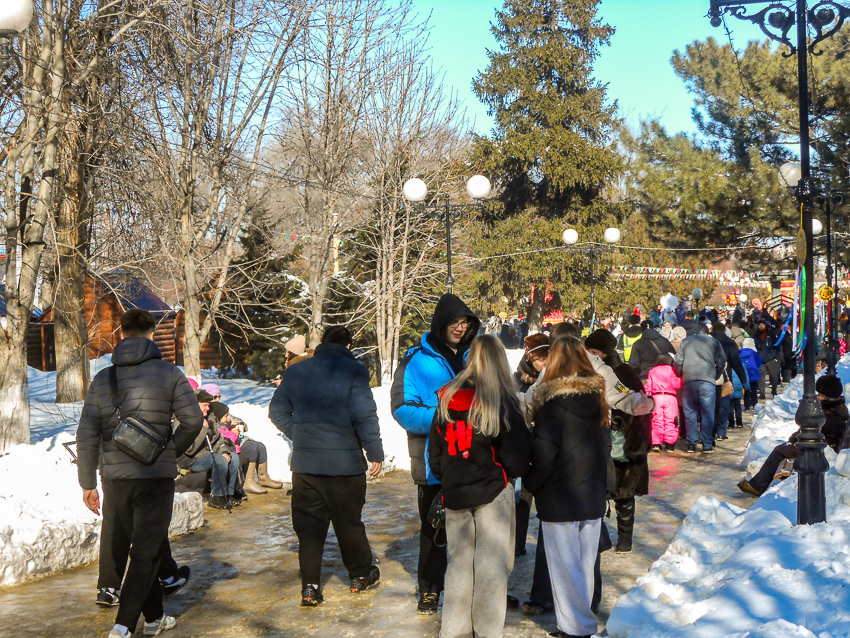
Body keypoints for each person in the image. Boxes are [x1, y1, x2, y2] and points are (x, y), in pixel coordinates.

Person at [76, 309, 205, 638]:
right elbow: (193, 421)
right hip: (154, 478)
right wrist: (170, 450)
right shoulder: (170, 373)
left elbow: (87, 434)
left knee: (145, 547)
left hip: (115, 478)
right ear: (151, 334)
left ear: (121, 333)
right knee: (146, 552)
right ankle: (122, 627)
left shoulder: (103, 378)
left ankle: (154, 617)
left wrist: (87, 483)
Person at [269, 325, 384, 606]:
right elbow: (364, 414)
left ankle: (310, 588)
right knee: (349, 524)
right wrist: (374, 451)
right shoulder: (354, 370)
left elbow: (277, 411)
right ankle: (360, 576)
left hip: (306, 467)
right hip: (345, 465)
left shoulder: (296, 371)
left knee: (309, 530)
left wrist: (301, 435)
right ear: (348, 346)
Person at [428, 335, 532, 638]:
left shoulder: (446, 397)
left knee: (459, 563)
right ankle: (487, 631)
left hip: (455, 491)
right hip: (492, 491)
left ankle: (455, 630)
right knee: (492, 567)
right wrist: (510, 473)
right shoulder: (501, 400)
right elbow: (516, 454)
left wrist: (449, 477)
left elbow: (435, 451)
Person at [391, 293, 480, 614]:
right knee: (434, 529)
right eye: (454, 322)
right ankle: (430, 589)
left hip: (475, 459)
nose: (460, 328)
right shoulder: (415, 360)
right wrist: (447, 416)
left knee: (475, 530)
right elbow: (401, 409)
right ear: (440, 324)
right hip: (433, 463)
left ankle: (476, 590)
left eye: (465, 322)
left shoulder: (477, 356)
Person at [525, 337, 610, 638]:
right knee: (585, 564)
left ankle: (576, 628)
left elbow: (545, 455)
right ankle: (576, 624)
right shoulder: (598, 400)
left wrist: (530, 483)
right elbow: (605, 449)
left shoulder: (551, 405)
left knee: (564, 567)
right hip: (592, 493)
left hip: (559, 496)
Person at [738, 375, 848, 496]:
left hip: (819, 448)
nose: (817, 395)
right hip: (819, 445)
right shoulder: (834, 409)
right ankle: (759, 484)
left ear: (826, 396)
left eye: (820, 394)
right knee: (781, 449)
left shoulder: (830, 414)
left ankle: (758, 486)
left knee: (779, 451)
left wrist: (794, 437)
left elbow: (810, 430)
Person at [513, 333, 549, 556]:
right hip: (525, 444)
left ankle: (547, 548)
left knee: (546, 499)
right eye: (539, 359)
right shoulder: (517, 378)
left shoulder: (553, 376)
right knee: (522, 497)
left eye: (546, 358)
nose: (543, 364)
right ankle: (517, 544)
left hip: (545, 445)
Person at [177, 389, 242, 509]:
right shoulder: (183, 419)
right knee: (219, 460)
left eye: (208, 405)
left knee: (233, 457)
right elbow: (189, 449)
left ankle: (229, 492)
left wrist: (224, 451)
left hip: (207, 454)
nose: (207, 408)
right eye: (204, 405)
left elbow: (218, 440)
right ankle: (217, 496)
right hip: (190, 459)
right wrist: (203, 429)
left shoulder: (210, 417)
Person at [674, 324, 727, 453]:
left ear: (695, 332)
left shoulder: (686, 342)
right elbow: (722, 361)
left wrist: (680, 373)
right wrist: (716, 375)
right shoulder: (714, 342)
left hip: (689, 380)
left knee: (690, 413)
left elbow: (678, 361)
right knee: (707, 414)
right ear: (707, 333)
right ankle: (707, 444)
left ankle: (691, 443)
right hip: (707, 381)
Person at [210, 402, 282, 494]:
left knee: (261, 446)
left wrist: (238, 425)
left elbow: (237, 421)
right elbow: (223, 438)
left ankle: (263, 477)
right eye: (215, 397)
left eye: (218, 396)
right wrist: (232, 431)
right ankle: (248, 480)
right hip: (229, 446)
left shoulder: (222, 411)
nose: (217, 399)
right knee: (252, 447)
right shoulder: (214, 419)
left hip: (236, 441)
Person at [710, 321, 748, 442]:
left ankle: (710, 431)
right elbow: (737, 363)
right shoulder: (730, 343)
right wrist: (743, 379)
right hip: (725, 377)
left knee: (709, 406)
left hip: (708, 377)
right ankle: (721, 431)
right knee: (723, 405)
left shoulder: (707, 341)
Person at [644, 353, 682, 452]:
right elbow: (676, 384)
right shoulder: (672, 370)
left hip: (656, 397)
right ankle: (669, 444)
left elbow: (648, 387)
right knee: (670, 420)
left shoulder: (652, 371)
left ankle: (656, 444)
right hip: (670, 398)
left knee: (657, 420)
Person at [753, 318, 782, 399]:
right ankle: (762, 392)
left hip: (771, 359)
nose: (761, 326)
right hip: (760, 360)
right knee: (761, 377)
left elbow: (777, 346)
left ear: (765, 325)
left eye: (763, 324)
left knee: (773, 376)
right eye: (760, 325)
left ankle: (774, 390)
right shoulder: (756, 336)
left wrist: (776, 357)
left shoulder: (771, 334)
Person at [740, 337, 763, 411]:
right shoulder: (754, 353)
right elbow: (759, 363)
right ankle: (754, 403)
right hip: (753, 373)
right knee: (753, 389)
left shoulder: (739, 353)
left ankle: (747, 405)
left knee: (746, 389)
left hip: (744, 374)